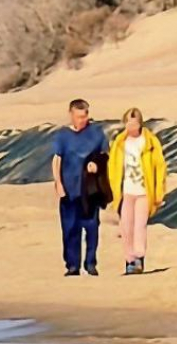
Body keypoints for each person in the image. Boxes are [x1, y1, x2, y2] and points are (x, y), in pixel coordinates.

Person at [52, 99, 109, 276]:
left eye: (85, 116)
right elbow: (57, 160)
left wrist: (97, 164)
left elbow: (105, 155)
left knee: (91, 228)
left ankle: (90, 263)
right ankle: (72, 265)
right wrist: (58, 183)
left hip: (90, 191)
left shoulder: (96, 133)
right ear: (71, 115)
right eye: (79, 117)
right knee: (70, 229)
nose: (82, 120)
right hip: (70, 190)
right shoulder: (63, 135)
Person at [108, 108, 167, 275]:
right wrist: (114, 190)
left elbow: (160, 167)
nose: (130, 127)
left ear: (140, 124)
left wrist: (159, 192)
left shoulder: (150, 142)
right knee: (126, 226)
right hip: (126, 192)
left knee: (139, 226)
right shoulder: (120, 142)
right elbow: (113, 167)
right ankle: (129, 260)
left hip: (144, 192)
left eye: (134, 123)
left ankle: (139, 258)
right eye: (127, 123)